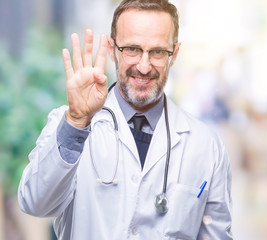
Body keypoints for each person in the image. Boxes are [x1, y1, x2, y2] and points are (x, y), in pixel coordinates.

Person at [18, 0, 233, 239]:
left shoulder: (205, 145)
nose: (143, 66)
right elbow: (34, 203)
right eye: (131, 48)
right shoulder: (69, 125)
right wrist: (77, 121)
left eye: (158, 52)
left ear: (175, 54)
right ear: (112, 49)